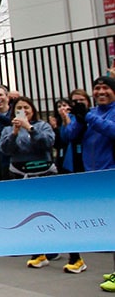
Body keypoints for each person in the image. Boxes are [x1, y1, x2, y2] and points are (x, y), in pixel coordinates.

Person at [0, 95, 73, 270]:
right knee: (28, 213)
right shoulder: (8, 129)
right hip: (20, 174)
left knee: (48, 211)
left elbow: (47, 143)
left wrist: (29, 128)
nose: (23, 112)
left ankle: (54, 248)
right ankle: (37, 251)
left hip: (43, 172)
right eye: (18, 109)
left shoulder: (42, 126)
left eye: (26, 108)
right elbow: (5, 149)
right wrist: (15, 132)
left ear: (33, 110)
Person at [61, 75, 115, 288]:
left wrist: (90, 118)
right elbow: (69, 136)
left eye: (106, 88)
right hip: (92, 177)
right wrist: (79, 119)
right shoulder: (91, 113)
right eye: (97, 88)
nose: (101, 92)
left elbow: (112, 131)